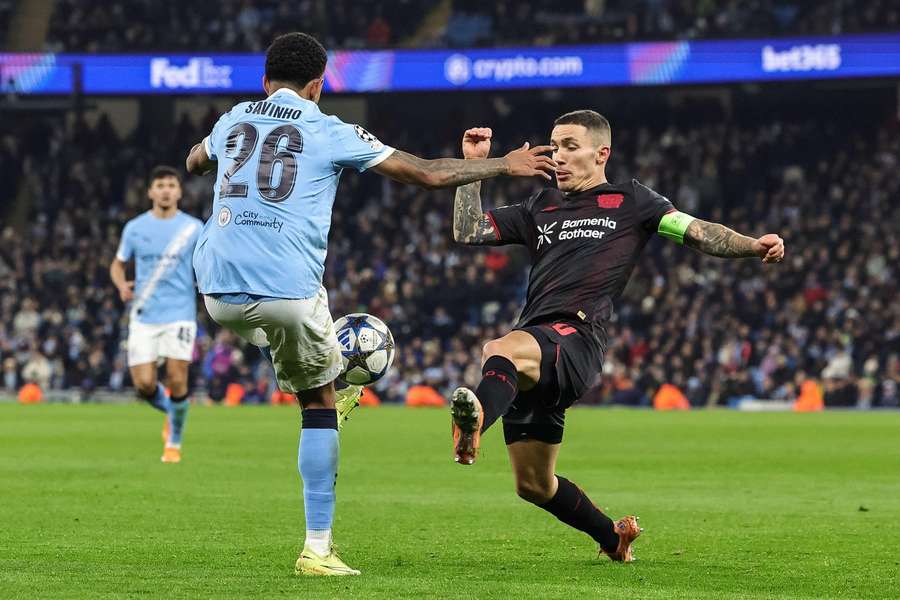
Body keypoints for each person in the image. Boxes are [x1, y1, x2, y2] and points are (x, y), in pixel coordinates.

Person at [184, 32, 555, 576]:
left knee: (276, 331)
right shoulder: (327, 127)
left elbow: (195, 160)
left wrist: (210, 151)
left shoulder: (234, 117)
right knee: (320, 404)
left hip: (216, 291)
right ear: (317, 86)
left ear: (265, 82)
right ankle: (317, 548)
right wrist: (503, 165)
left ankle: (322, 371)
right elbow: (426, 173)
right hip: (286, 291)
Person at [449, 112, 785, 562]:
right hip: (537, 351)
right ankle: (614, 540)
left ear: (601, 153)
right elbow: (467, 229)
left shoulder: (633, 202)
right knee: (533, 485)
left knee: (499, 347)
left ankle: (473, 427)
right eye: (553, 145)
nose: (557, 156)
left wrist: (751, 244)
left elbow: (698, 233)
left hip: (577, 340)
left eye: (570, 146)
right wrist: (474, 167)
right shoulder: (540, 206)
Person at [110, 166, 203, 464]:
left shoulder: (194, 228)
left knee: (178, 378)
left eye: (171, 185)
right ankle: (172, 412)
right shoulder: (135, 228)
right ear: (150, 191)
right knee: (144, 384)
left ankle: (174, 441)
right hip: (144, 314)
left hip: (180, 313)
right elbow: (118, 263)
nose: (165, 190)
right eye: (160, 185)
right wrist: (120, 283)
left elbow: (206, 263)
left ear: (179, 191)